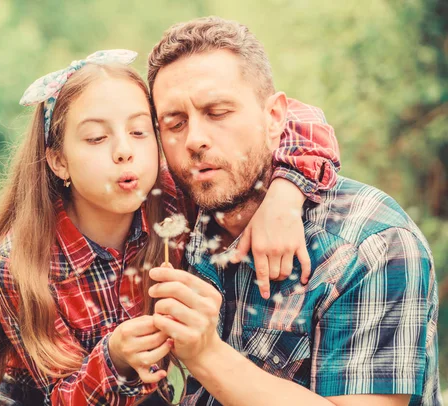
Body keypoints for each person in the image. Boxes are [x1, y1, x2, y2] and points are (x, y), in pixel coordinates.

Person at [0, 47, 341, 405]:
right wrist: (113, 358)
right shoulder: (20, 265)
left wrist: (285, 197)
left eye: (139, 131)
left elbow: (299, 118)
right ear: (59, 161)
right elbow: (57, 396)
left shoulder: (172, 198)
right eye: (97, 138)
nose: (123, 151)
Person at [145, 16, 441, 406]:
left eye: (218, 112)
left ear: (273, 119)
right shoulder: (176, 218)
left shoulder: (371, 244)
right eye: (175, 123)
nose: (195, 139)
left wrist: (206, 355)